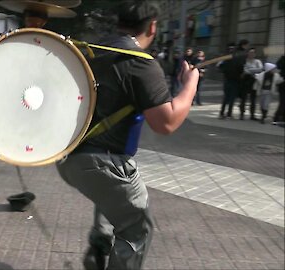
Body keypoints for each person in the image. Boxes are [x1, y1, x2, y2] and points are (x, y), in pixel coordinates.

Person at [56, 1, 199, 269]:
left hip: (69, 158)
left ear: (118, 22)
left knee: (111, 198)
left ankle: (100, 242)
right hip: (104, 162)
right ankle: (104, 247)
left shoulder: (91, 53)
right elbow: (166, 123)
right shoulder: (140, 64)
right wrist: (190, 85)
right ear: (153, 26)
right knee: (136, 227)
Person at [218, 41, 247, 119]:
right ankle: (228, 114)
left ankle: (222, 113)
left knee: (226, 98)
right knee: (231, 98)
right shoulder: (237, 58)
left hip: (227, 80)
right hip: (234, 81)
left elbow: (220, 67)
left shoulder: (225, 58)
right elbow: (241, 68)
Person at [239, 48, 263, 120]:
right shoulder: (244, 61)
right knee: (243, 98)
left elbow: (260, 69)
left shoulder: (257, 61)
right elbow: (244, 70)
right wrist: (253, 70)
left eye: (253, 53)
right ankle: (242, 114)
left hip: (254, 81)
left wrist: (249, 70)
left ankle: (252, 115)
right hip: (245, 81)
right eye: (250, 53)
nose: (251, 54)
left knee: (253, 99)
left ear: (255, 54)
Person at [273, 55, 285, 124]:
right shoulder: (283, 58)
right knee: (283, 101)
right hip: (283, 83)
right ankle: (277, 117)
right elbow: (278, 66)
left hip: (282, 82)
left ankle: (281, 117)